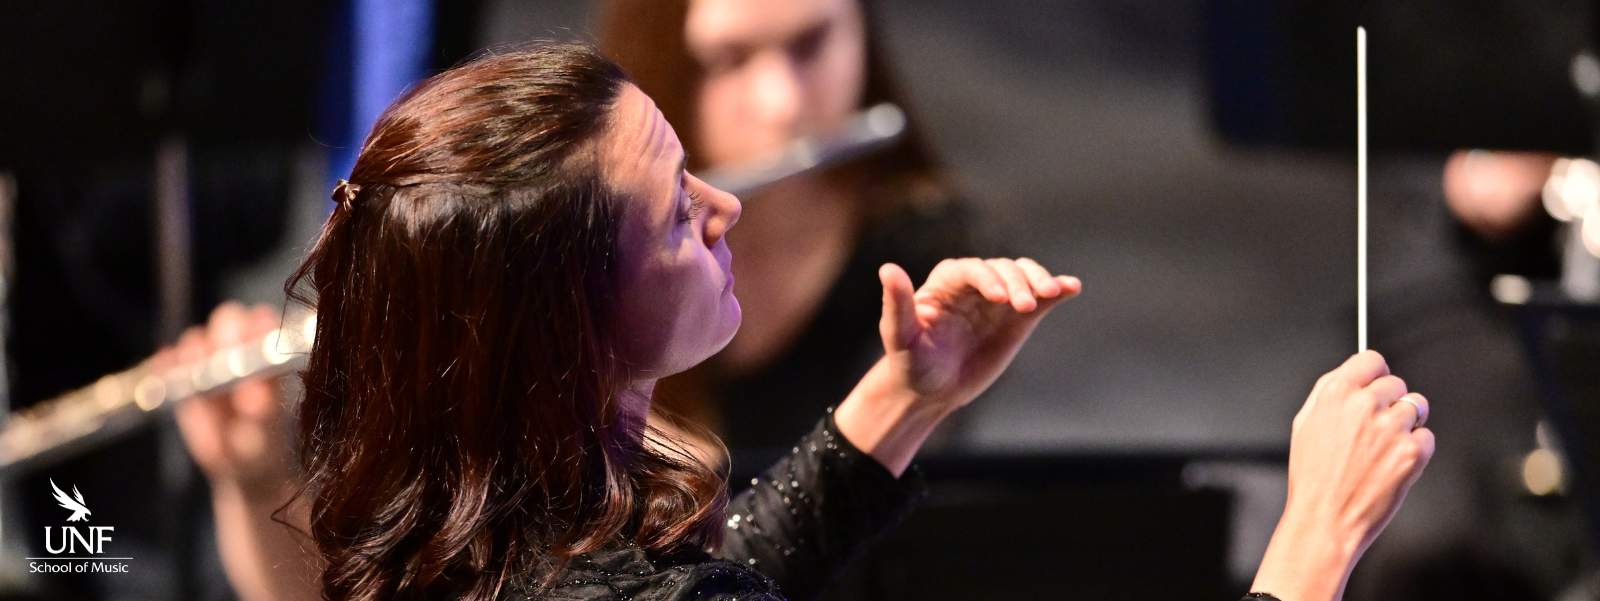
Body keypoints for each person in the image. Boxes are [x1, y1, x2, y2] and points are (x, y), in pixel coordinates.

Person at [167, 43, 1433, 600]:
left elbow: (719, 586)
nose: (724, 205)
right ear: (565, 326)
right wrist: (1312, 543)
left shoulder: (485, 533)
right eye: (673, 214)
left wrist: (903, 394)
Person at [598, 0, 989, 450]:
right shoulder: (594, 249)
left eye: (811, 43)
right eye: (729, 58)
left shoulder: (934, 253)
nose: (781, 105)